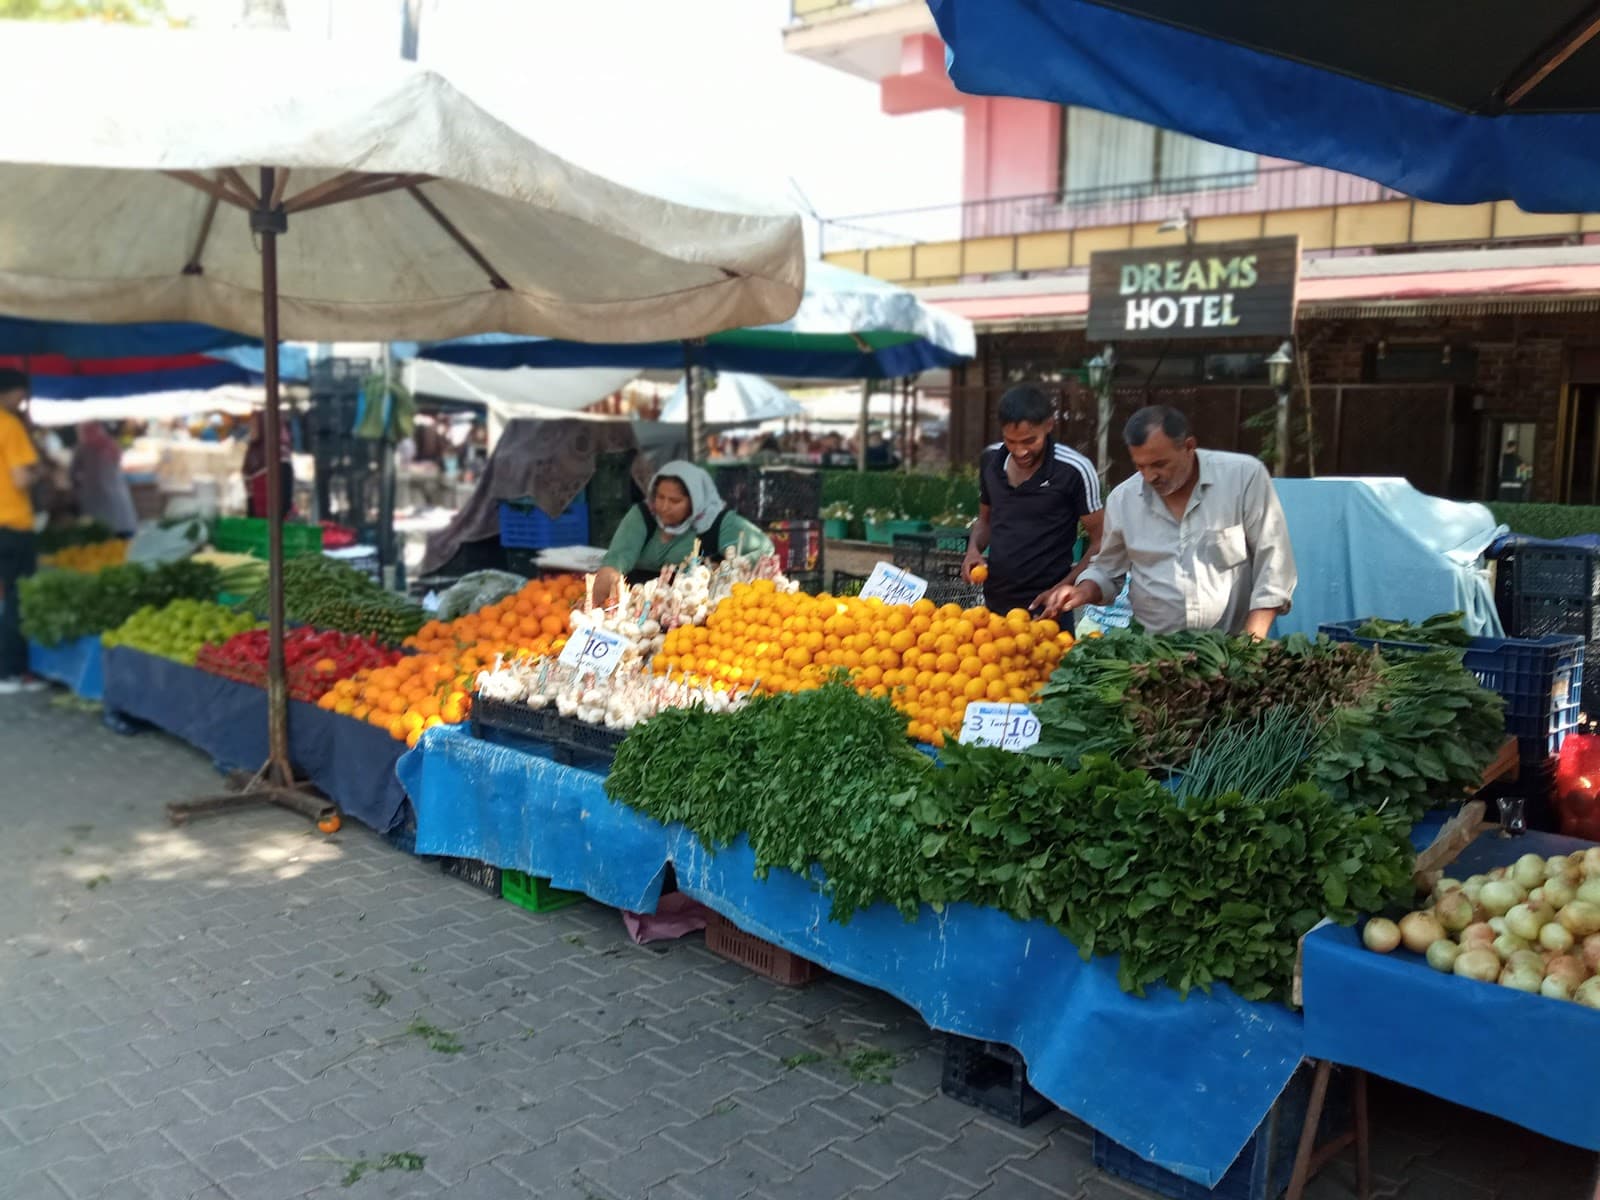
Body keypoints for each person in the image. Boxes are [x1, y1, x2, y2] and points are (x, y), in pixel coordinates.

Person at [1041, 405, 1297, 639]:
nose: (1150, 475)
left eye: (1160, 464)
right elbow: (1108, 570)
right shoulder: (1125, 499)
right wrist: (1082, 592)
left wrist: (1252, 642)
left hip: (1232, 646)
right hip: (1155, 654)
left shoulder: (1243, 478)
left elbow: (1274, 566)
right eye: (1140, 466)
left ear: (1188, 447)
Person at [961, 384, 1104, 618]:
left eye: (1029, 441)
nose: (1020, 451)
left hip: (1048, 612)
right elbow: (985, 520)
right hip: (993, 611)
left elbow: (1101, 541)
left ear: (1049, 425)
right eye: (1010, 441)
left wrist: (1064, 587)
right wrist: (973, 551)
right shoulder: (990, 460)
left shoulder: (1074, 469)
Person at [590, 461, 773, 607]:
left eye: (675, 500)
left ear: (696, 500)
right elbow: (618, 557)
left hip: (695, 611)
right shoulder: (644, 515)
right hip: (638, 608)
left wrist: (725, 569)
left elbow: (765, 549)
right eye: (660, 497)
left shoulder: (716, 521)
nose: (664, 507)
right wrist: (608, 573)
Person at [0, 368, 44, 693]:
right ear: (13, 392)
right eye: (23, 393)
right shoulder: (9, 425)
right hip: (12, 525)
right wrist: (38, 471)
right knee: (18, 598)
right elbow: (20, 478)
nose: (24, 400)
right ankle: (11, 672)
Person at [71, 421, 138, 537]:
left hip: (93, 498)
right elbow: (118, 463)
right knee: (121, 534)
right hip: (117, 496)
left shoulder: (82, 448)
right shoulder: (111, 444)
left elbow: (72, 473)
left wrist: (79, 487)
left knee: (99, 536)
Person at [242, 411, 293, 519]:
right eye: (251, 425)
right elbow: (249, 491)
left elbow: (285, 498)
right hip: (258, 520)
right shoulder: (252, 452)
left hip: (274, 522)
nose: (252, 430)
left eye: (255, 424)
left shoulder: (280, 455)